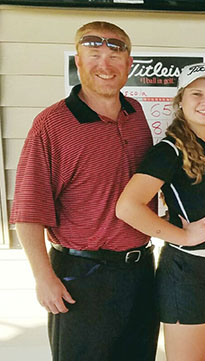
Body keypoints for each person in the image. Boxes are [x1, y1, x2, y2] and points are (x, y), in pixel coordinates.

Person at [10, 21, 158, 361]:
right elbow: (29, 210)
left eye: (114, 56)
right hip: (82, 277)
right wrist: (43, 277)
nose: (104, 66)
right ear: (78, 62)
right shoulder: (52, 124)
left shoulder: (136, 114)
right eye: (94, 55)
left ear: (129, 64)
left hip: (140, 271)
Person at [116, 63, 205, 361]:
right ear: (180, 101)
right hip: (188, 273)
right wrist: (182, 235)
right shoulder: (169, 150)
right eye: (197, 94)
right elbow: (127, 207)